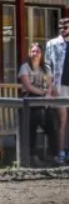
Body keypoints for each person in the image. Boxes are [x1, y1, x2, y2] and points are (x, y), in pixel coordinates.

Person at [19, 42, 58, 166]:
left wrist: (48, 94)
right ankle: (32, 157)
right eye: (33, 51)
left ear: (41, 54)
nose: (35, 54)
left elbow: (50, 84)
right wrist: (43, 93)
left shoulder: (46, 68)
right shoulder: (25, 67)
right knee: (32, 125)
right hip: (29, 99)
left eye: (37, 51)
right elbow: (28, 86)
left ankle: (54, 155)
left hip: (43, 99)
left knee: (51, 126)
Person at [45, 18, 69, 164]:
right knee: (62, 120)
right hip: (61, 87)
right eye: (61, 25)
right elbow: (48, 65)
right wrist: (51, 84)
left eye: (66, 25)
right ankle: (60, 152)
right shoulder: (52, 44)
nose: (63, 28)